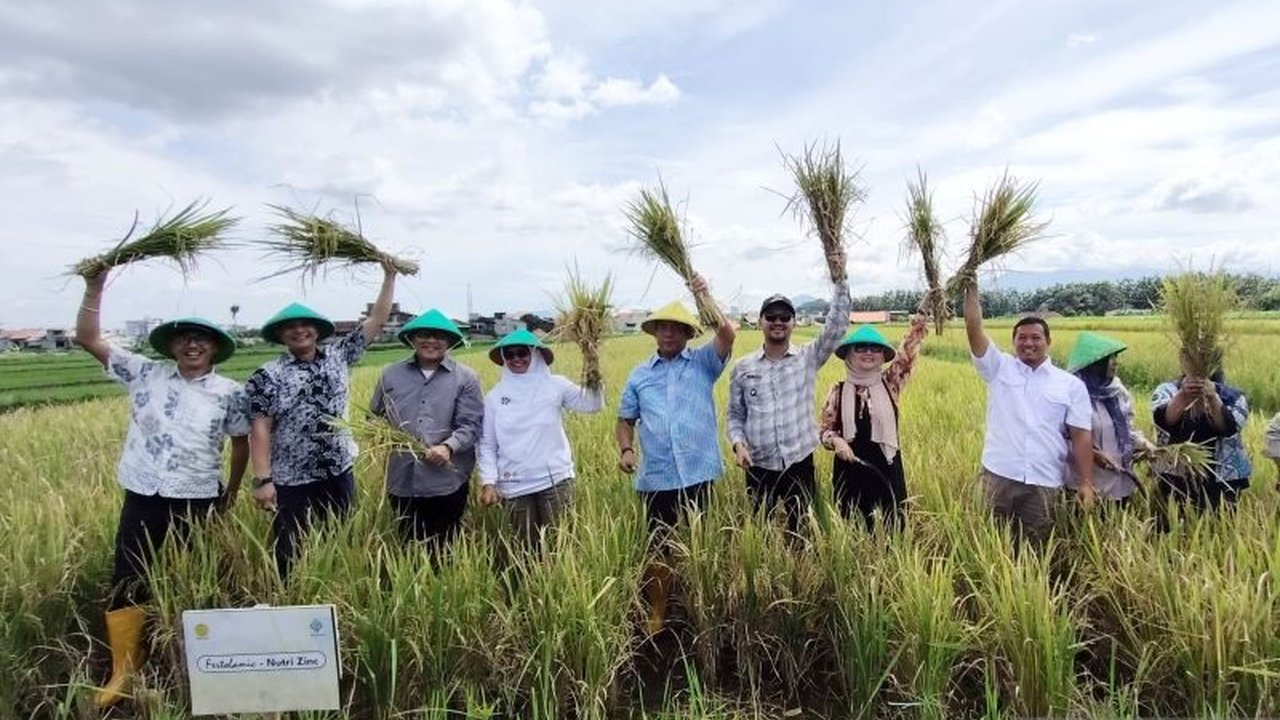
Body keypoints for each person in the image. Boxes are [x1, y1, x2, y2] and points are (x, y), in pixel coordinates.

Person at [75, 270, 248, 708]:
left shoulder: (230, 393)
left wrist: (231, 492)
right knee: (128, 577)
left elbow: (240, 442)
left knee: (196, 575)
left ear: (215, 348)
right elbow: (88, 338)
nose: (192, 345)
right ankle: (125, 668)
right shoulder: (144, 374)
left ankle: (196, 664)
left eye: (201, 339)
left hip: (198, 495)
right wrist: (94, 286)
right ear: (171, 346)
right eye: (184, 338)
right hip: (144, 492)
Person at [245, 263, 397, 579]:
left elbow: (377, 320)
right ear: (280, 335)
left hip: (338, 469)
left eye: (306, 325)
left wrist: (390, 275)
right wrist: (262, 480)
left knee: (341, 540)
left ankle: (339, 592)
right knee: (290, 549)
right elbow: (259, 428)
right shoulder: (268, 375)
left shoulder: (339, 356)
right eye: (290, 327)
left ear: (317, 330)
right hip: (292, 478)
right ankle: (291, 595)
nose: (299, 330)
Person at [617, 275, 734, 633]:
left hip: (699, 473)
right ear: (654, 333)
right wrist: (626, 449)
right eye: (662, 327)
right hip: (657, 478)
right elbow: (625, 420)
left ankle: (701, 608)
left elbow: (727, 333)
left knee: (702, 545)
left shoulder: (703, 363)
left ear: (687, 333)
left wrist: (703, 294)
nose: (668, 333)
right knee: (658, 549)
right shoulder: (638, 376)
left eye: (676, 328)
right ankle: (659, 610)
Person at [962, 281, 1094, 544]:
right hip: (998, 476)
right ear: (1013, 342)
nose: (1028, 343)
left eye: (1035, 337)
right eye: (1021, 338)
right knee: (989, 545)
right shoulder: (1000, 368)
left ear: (1048, 342)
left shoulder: (1070, 385)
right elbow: (974, 329)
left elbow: (1081, 437)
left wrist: (1086, 483)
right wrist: (972, 288)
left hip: (1044, 481)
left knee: (1035, 549)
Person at [727, 280, 851, 532]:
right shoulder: (743, 367)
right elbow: (734, 415)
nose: (778, 322)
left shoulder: (808, 357)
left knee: (803, 527)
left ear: (794, 323)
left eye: (785, 317)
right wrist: (738, 444)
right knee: (760, 531)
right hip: (758, 464)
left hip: (799, 461)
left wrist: (840, 280)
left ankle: (802, 556)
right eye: (771, 317)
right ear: (760, 322)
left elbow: (836, 327)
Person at [370, 309, 483, 551]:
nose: (431, 341)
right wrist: (380, 433)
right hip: (402, 477)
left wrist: (448, 447)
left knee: (445, 546)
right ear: (412, 338)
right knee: (407, 543)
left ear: (450, 341)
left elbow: (471, 425)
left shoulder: (466, 377)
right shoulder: (390, 375)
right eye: (424, 334)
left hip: (447, 479)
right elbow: (374, 417)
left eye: (439, 336)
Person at [477, 329, 602, 547]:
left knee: (561, 545)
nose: (516, 359)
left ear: (535, 354)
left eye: (522, 352)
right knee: (525, 548)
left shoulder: (556, 385)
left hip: (555, 481)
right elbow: (487, 444)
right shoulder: (494, 398)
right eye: (510, 354)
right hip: (514, 485)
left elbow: (592, 404)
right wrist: (488, 482)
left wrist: (593, 369)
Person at [818, 315, 927, 530]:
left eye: (875, 348)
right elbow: (823, 430)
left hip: (887, 468)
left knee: (892, 526)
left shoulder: (891, 383)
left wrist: (921, 316)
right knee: (853, 528)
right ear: (849, 354)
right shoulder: (838, 391)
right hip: (850, 469)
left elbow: (907, 353)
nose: (869, 352)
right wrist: (837, 441)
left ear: (882, 356)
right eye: (861, 348)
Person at [1150, 352, 1251, 519]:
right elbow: (1163, 420)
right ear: (1183, 362)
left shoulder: (1233, 396)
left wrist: (1212, 398)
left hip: (1222, 480)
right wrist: (1183, 395)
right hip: (1175, 476)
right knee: (1173, 524)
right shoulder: (1167, 391)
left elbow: (1230, 428)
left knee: (1219, 527)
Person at [1063, 332, 1153, 504]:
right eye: (1110, 358)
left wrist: (1144, 445)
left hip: (1121, 482)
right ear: (1095, 363)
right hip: (1086, 486)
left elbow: (1127, 429)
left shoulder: (1117, 391)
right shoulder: (1071, 394)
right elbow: (1061, 438)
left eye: (1116, 357)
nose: (1115, 362)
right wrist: (1092, 454)